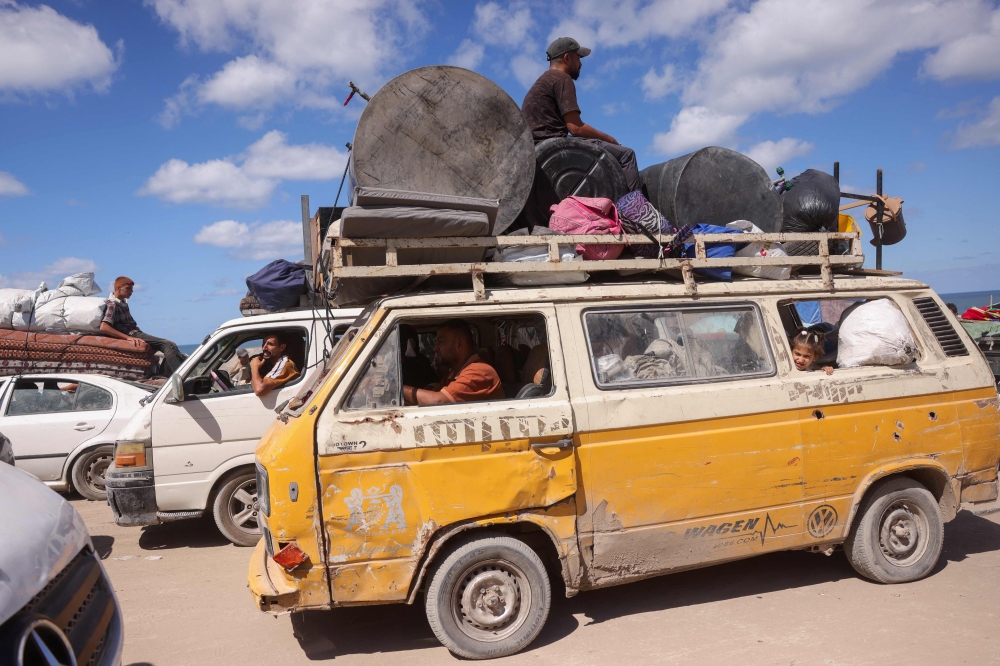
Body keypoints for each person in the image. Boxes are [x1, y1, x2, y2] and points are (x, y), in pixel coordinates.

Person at [522, 37, 641, 193]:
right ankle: (635, 211)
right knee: (626, 154)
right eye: (578, 58)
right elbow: (575, 127)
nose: (581, 64)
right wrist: (610, 139)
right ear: (567, 58)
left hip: (536, 147)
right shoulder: (562, 79)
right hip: (555, 146)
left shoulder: (542, 81)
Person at [402, 320, 504, 405]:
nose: (434, 348)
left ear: (459, 343)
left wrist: (398, 389)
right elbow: (430, 395)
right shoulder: (453, 374)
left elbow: (438, 401)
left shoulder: (478, 371)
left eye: (440, 342)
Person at [100, 276, 185, 375]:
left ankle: (164, 375)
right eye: (128, 288)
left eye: (132, 289)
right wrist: (127, 338)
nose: (131, 291)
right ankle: (182, 378)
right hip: (132, 334)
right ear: (118, 288)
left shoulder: (123, 303)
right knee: (166, 344)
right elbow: (104, 327)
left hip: (136, 332)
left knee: (170, 347)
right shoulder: (112, 304)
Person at [250, 332, 300, 397]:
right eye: (264, 343)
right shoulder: (271, 361)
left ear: (282, 347)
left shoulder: (285, 364)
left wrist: (254, 367)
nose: (264, 348)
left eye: (270, 344)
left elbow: (259, 390)